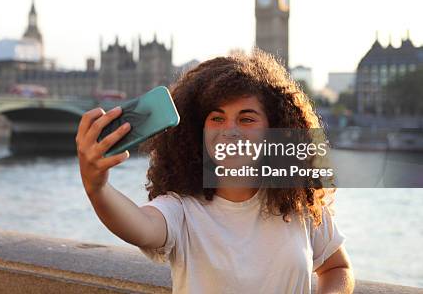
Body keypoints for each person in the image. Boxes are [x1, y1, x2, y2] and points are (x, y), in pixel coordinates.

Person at [75, 49, 354, 294]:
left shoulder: (298, 201)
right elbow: (140, 226)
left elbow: (336, 268)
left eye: (246, 119)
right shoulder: (181, 210)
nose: (229, 131)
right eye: (217, 118)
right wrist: (97, 189)